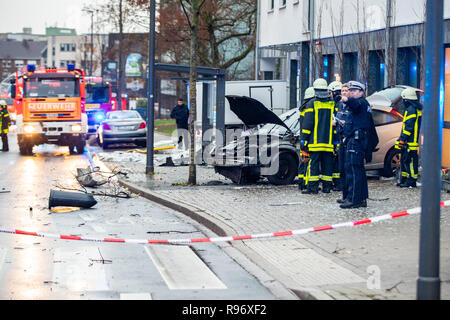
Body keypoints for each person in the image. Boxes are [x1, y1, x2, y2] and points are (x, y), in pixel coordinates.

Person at [339, 81, 378, 209]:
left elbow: (354, 104)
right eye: (351, 91)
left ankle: (354, 199)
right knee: (358, 171)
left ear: (361, 92)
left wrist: (346, 99)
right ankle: (359, 198)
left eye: (355, 91)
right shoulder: (361, 104)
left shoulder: (360, 102)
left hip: (356, 142)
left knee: (353, 171)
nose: (352, 92)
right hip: (355, 141)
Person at [300, 79, 335, 194]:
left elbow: (308, 124)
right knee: (327, 165)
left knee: (313, 165)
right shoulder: (332, 103)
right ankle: (327, 187)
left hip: (315, 142)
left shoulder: (312, 103)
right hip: (329, 142)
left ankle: (313, 188)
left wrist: (304, 139)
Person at [395, 88, 422, 188]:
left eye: (404, 100)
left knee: (410, 162)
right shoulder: (413, 108)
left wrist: (402, 139)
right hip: (410, 141)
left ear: (407, 100)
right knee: (405, 160)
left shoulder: (411, 109)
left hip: (410, 141)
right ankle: (405, 180)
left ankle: (411, 181)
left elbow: (408, 127)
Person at [298, 87, 315, 190]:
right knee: (307, 163)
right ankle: (305, 183)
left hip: (303, 139)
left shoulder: (303, 107)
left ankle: (301, 182)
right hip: (308, 139)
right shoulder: (309, 107)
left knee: (303, 161)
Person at [328, 81, 343, 191]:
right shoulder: (335, 104)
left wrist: (335, 123)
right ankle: (337, 183)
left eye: (330, 92)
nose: (330, 95)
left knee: (338, 162)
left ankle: (339, 184)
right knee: (336, 162)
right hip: (336, 138)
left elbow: (342, 121)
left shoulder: (340, 104)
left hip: (339, 138)